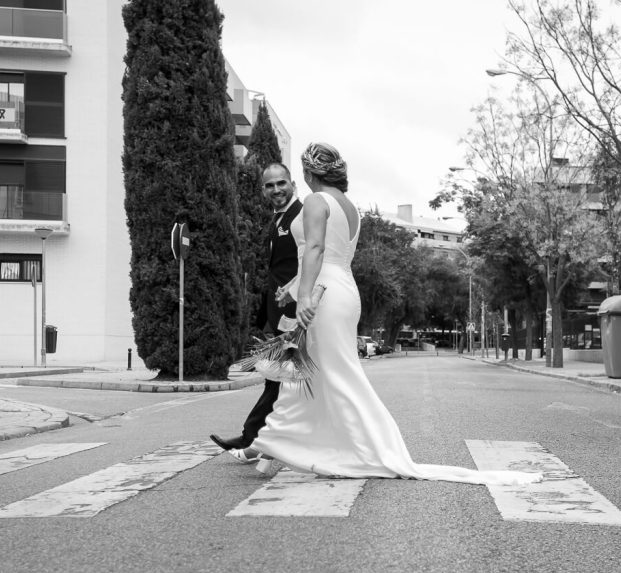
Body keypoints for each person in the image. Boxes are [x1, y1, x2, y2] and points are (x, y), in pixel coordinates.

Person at [250, 143, 541, 486]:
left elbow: (314, 249)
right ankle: (275, 447)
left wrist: (303, 296)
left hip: (321, 294)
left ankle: (353, 447)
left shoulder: (315, 200)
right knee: (308, 373)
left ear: (310, 173)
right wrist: (294, 285)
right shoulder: (350, 208)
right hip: (343, 289)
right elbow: (331, 255)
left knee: (326, 374)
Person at [210, 162, 302, 462]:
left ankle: (254, 438)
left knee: (280, 381)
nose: (276, 189)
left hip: (296, 311)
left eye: (281, 183)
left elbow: (308, 262)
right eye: (269, 185)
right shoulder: (276, 220)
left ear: (292, 183)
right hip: (278, 312)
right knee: (277, 380)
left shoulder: (300, 215)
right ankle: (259, 439)